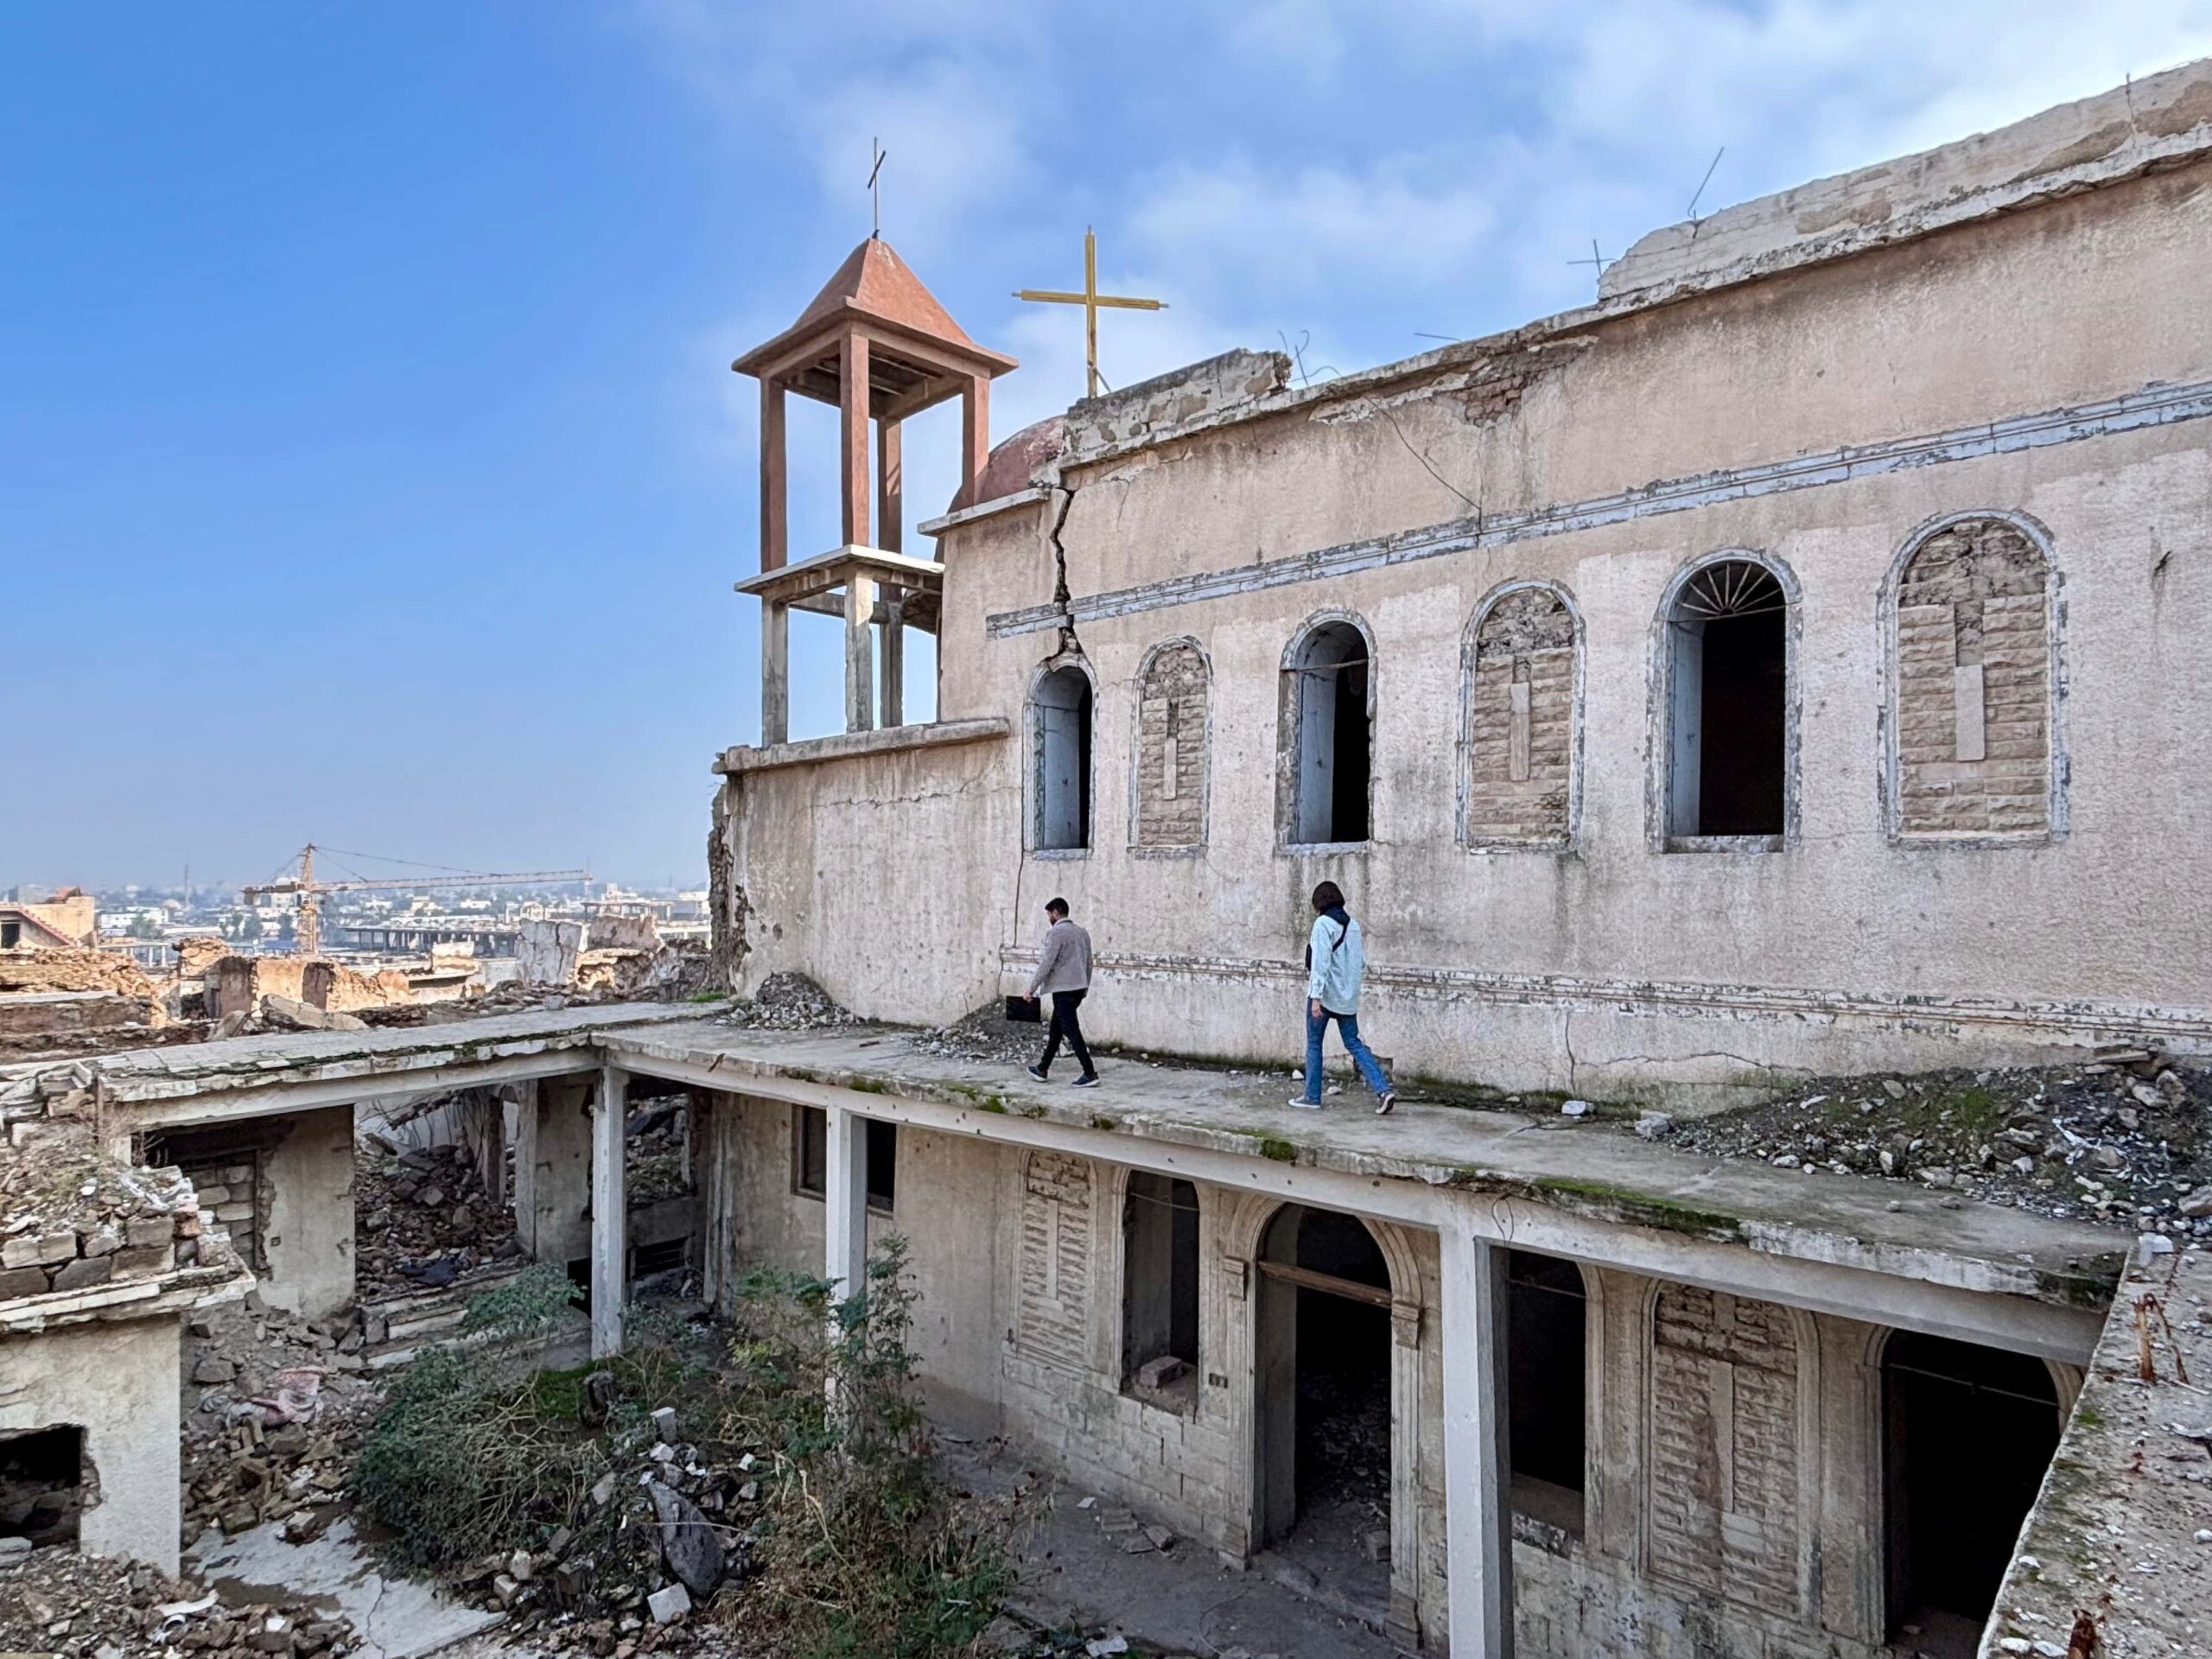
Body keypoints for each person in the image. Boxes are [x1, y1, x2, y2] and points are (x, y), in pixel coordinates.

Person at [1292, 880, 1397, 1115]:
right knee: (1355, 1044)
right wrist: (1349, 993)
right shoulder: (1354, 926)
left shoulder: (1323, 924)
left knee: (1314, 1043)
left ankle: (1311, 1097)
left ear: (1319, 903)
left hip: (1325, 995)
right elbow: (1360, 963)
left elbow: (1320, 963)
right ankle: (1382, 1090)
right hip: (1347, 999)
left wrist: (1316, 997)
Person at [1026, 897, 1098, 1088]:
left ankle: (1090, 1072)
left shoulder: (1056, 933)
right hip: (1078, 989)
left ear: (1056, 913)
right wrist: (1085, 987)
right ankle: (1042, 1068)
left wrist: (1031, 989)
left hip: (1063, 990)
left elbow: (1046, 963)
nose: (1049, 917)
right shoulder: (1082, 933)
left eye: (1049, 914)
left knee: (1071, 1030)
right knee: (1056, 1030)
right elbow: (1089, 963)